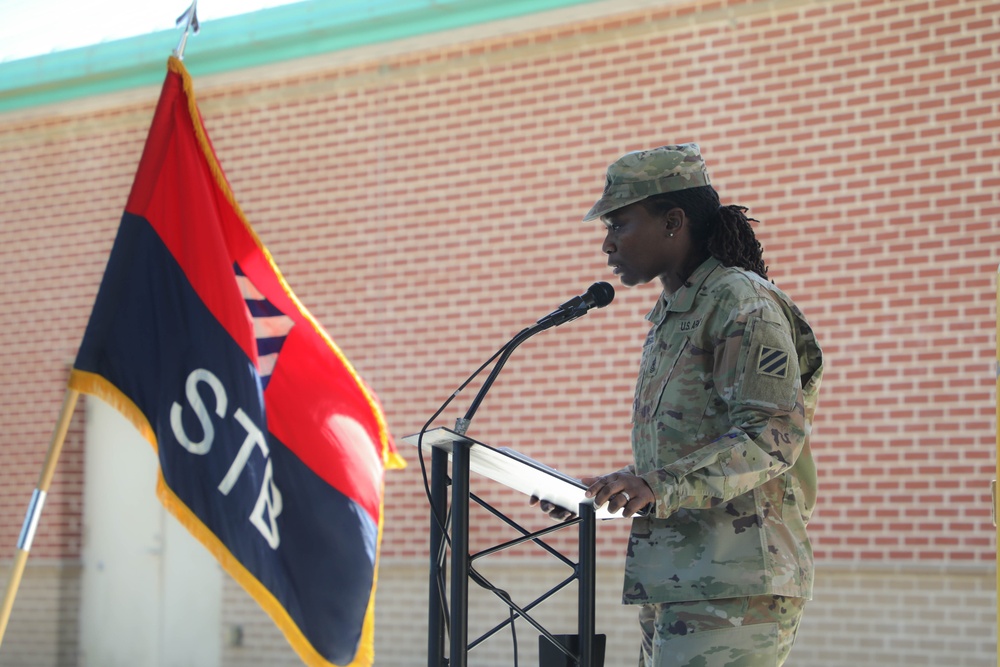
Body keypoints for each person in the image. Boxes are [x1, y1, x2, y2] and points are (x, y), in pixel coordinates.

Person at [532, 144, 823, 666]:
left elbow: (770, 435)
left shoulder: (741, 301)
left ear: (673, 221)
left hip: (735, 583)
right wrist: (608, 489)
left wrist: (656, 485)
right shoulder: (676, 312)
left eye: (619, 224)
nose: (606, 245)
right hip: (676, 578)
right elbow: (690, 449)